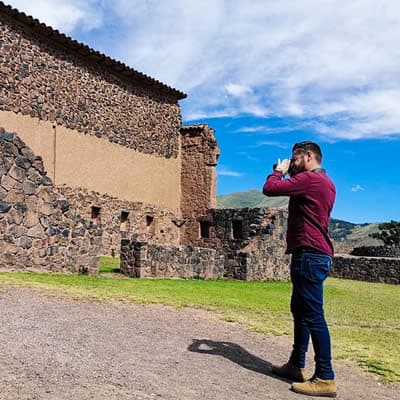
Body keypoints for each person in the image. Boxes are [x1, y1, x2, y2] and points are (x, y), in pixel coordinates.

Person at [263, 141, 337, 398]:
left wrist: (278, 171)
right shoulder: (322, 182)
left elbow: (270, 188)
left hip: (310, 255)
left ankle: (325, 377)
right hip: (312, 254)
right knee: (301, 310)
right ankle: (296, 364)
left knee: (313, 315)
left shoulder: (312, 180)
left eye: (294, 160)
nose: (291, 164)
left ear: (308, 157)